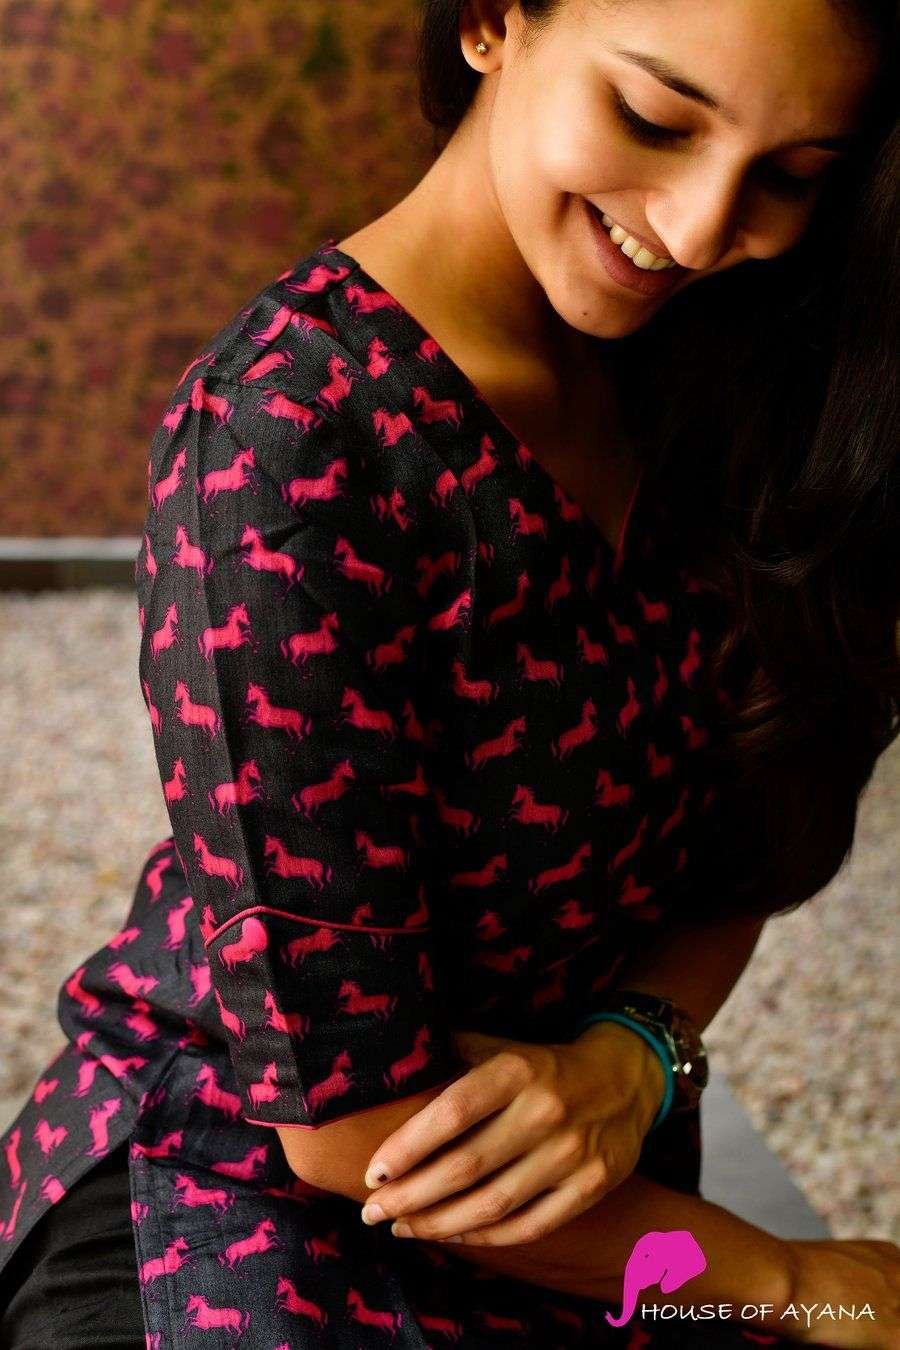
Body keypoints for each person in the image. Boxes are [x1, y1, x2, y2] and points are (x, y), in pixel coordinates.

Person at [1, 1, 897, 1346]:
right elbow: (349, 1128)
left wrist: (637, 1049)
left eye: (791, 174)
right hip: (248, 1184)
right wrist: (789, 1280)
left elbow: (773, 809)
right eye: (654, 117)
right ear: (490, 18)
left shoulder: (753, 358)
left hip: (584, 1169)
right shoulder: (284, 443)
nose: (705, 228)